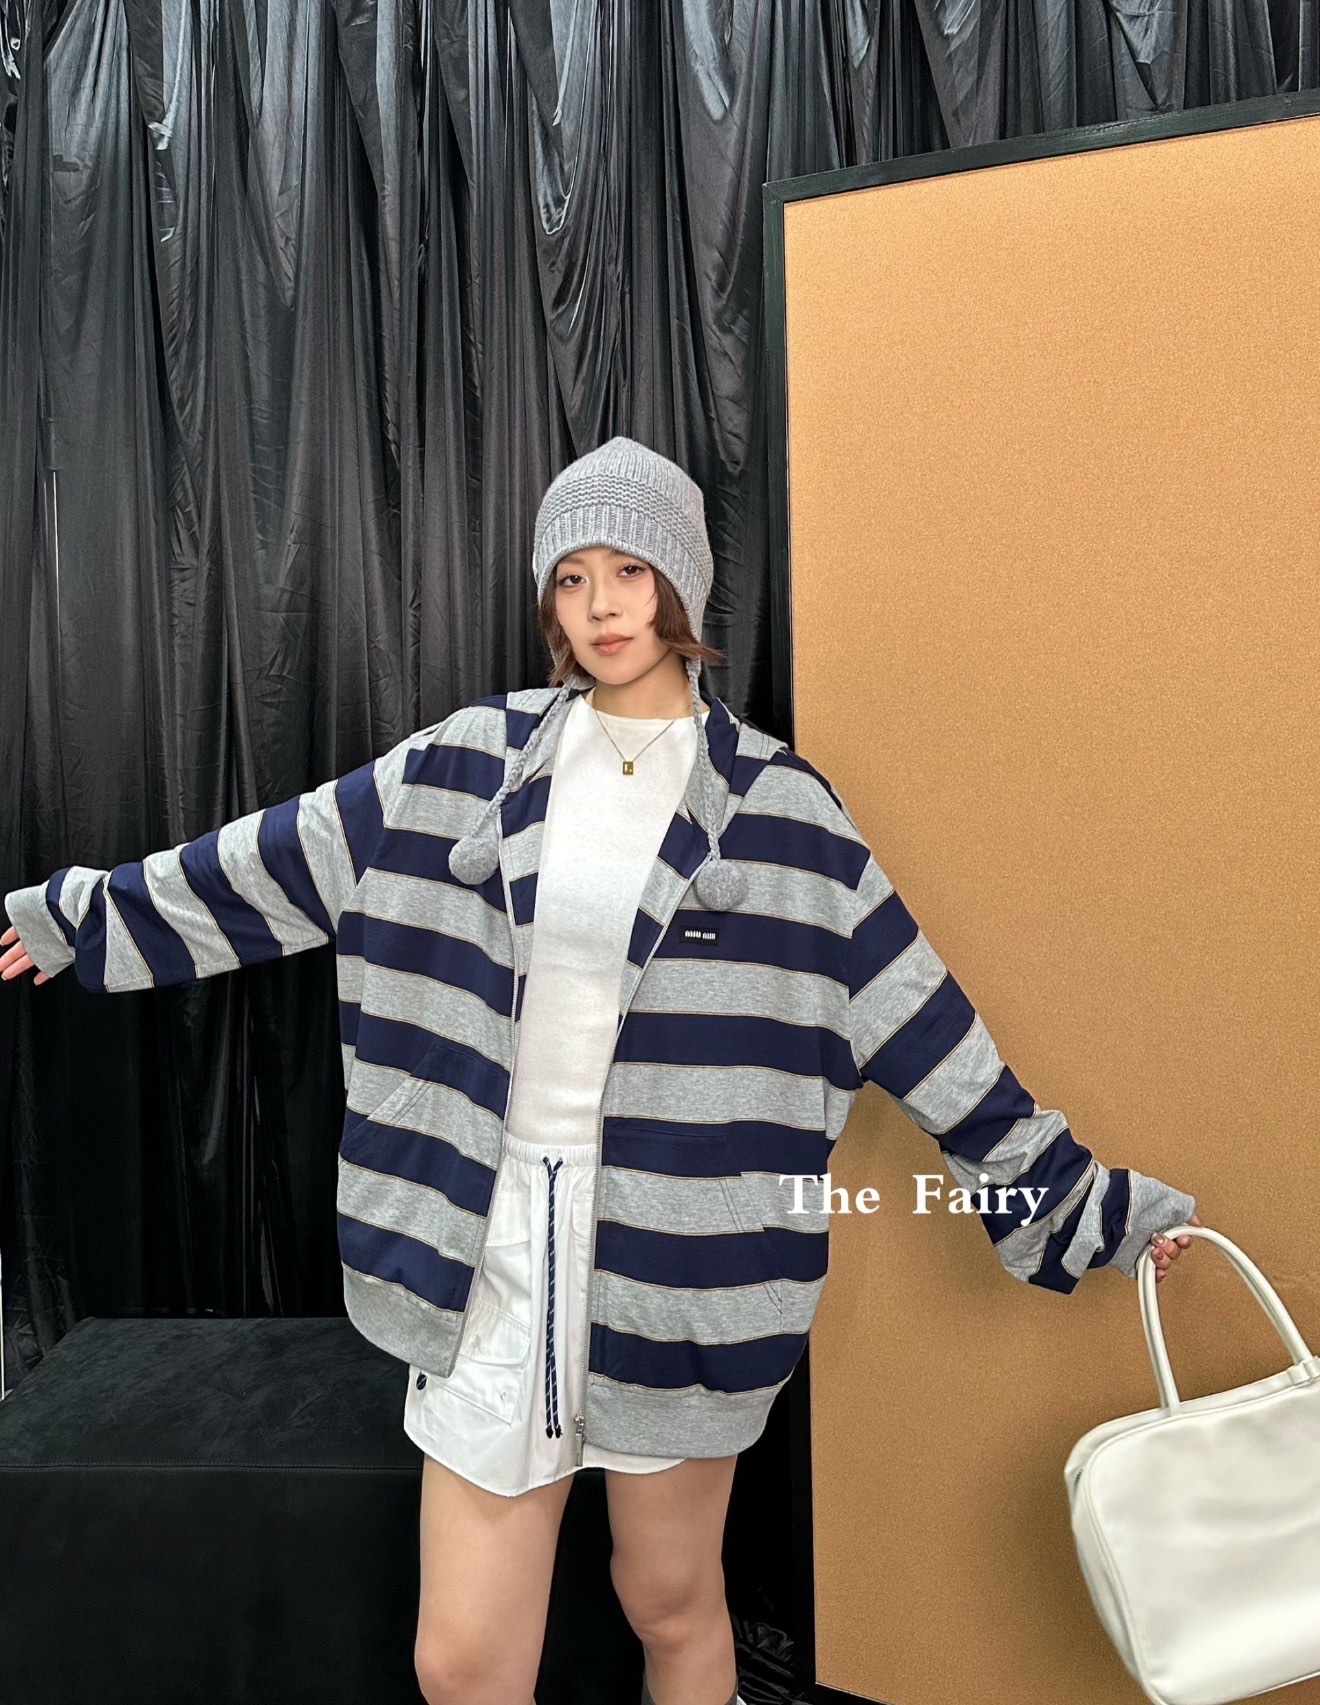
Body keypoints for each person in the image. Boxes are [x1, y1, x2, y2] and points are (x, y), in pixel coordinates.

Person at [2, 435, 1200, 1705]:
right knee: (461, 1660)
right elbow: (273, 860)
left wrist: (1086, 1205)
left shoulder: (783, 811)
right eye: (571, 578)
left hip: (685, 1256)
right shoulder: (467, 761)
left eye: (630, 570)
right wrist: (88, 915)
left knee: (669, 1598)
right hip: (488, 1240)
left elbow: (926, 1024)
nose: (601, 606)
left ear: (680, 582)